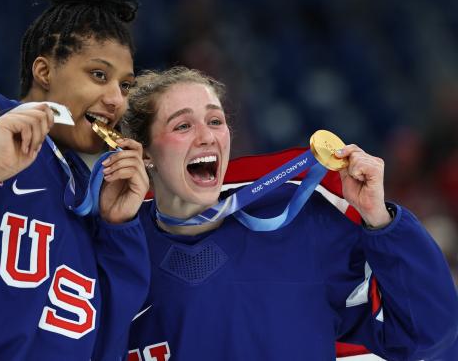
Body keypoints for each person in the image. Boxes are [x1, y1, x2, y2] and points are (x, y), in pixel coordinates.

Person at [121, 66, 458, 360]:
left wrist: (380, 220)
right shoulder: (119, 253)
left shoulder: (304, 227)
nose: (207, 136)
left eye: (215, 120)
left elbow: (427, 334)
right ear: (145, 151)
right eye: (183, 126)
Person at [0, 0, 150, 360]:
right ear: (44, 71)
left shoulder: (94, 193)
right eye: (99, 75)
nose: (115, 100)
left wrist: (119, 228)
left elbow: (108, 340)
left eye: (125, 86)